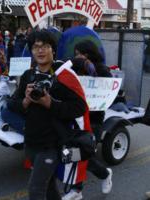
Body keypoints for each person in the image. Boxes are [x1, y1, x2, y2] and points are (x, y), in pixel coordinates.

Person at [8, 30, 87, 200]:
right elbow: (11, 104)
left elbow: (80, 108)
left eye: (45, 46)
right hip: (31, 143)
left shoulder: (64, 76)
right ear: (31, 51)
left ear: (53, 50)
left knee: (36, 190)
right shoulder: (28, 75)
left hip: (52, 145)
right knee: (49, 188)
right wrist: (25, 102)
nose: (40, 50)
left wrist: (51, 104)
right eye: (36, 47)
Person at [62, 40, 113, 200]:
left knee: (84, 155)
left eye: (80, 54)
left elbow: (106, 92)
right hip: (76, 119)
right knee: (70, 155)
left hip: (94, 121)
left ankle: (105, 174)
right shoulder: (74, 69)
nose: (77, 57)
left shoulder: (102, 70)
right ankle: (76, 190)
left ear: (88, 54)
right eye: (75, 54)